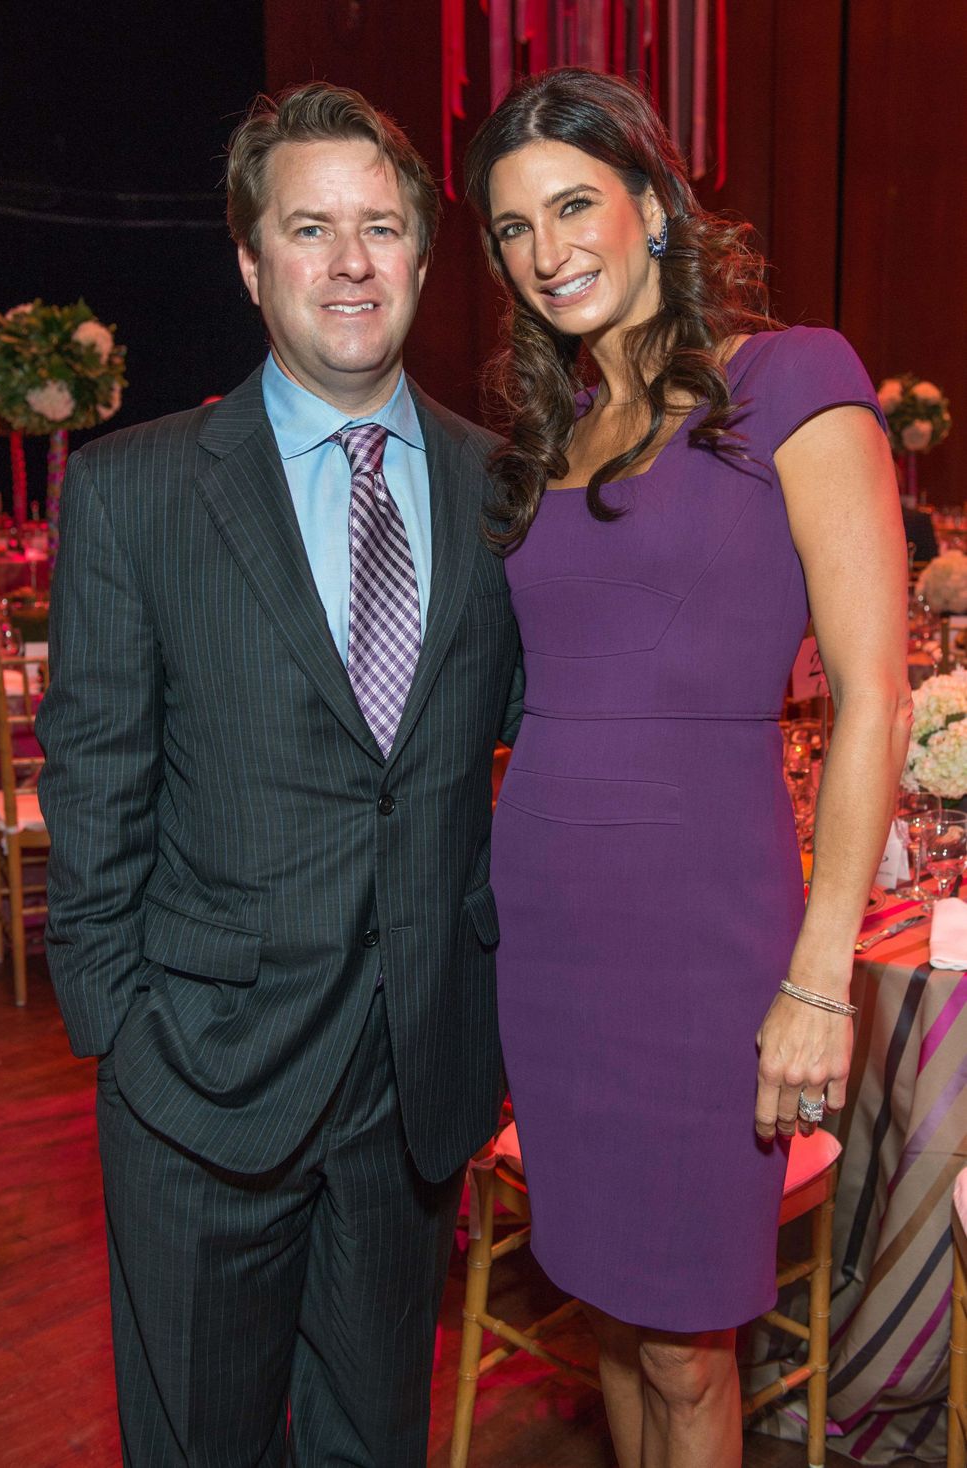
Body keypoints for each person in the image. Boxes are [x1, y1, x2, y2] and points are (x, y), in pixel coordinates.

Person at [38, 81, 521, 1468]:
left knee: (374, 1446)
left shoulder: (502, 494)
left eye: (381, 228)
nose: (351, 261)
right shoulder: (138, 493)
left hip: (408, 1095)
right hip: (197, 1087)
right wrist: (121, 1034)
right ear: (251, 262)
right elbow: (95, 779)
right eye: (309, 228)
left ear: (428, 259)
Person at [464, 68, 910, 1467]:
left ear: (654, 204)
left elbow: (878, 699)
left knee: (690, 1350)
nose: (549, 250)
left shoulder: (798, 381)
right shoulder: (552, 444)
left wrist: (819, 979)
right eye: (514, 228)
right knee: (607, 1309)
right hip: (552, 941)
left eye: (576, 203)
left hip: (709, 943)